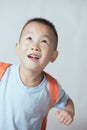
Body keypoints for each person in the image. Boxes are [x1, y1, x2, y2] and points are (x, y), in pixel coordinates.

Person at [0, 17, 75, 130]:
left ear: (53, 56)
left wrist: (69, 112)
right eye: (29, 38)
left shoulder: (52, 87)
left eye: (44, 41)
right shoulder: (2, 72)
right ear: (18, 47)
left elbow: (67, 102)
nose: (35, 46)